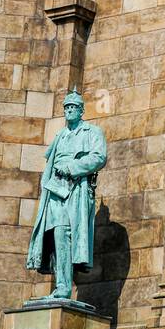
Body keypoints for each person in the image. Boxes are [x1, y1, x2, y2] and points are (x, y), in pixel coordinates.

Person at [26, 89, 107, 300]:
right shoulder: (60, 135)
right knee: (56, 234)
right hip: (55, 191)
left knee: (65, 234)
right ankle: (61, 285)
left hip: (76, 190)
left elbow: (99, 157)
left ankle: (63, 287)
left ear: (81, 111)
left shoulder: (92, 132)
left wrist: (71, 167)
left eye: (73, 108)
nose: (69, 111)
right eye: (67, 108)